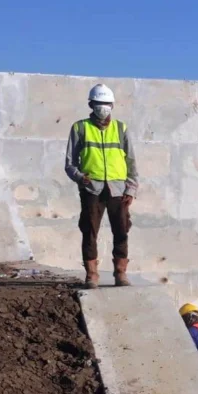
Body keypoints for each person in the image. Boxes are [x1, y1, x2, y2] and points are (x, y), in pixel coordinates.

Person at [64, 84, 138, 288]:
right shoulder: (80, 127)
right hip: (91, 189)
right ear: (91, 104)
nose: (102, 108)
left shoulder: (121, 128)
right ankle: (92, 274)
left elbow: (131, 161)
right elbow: (69, 163)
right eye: (98, 104)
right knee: (89, 231)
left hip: (117, 189)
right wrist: (80, 178)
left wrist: (131, 189)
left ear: (112, 105)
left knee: (121, 230)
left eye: (106, 104)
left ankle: (120, 273)